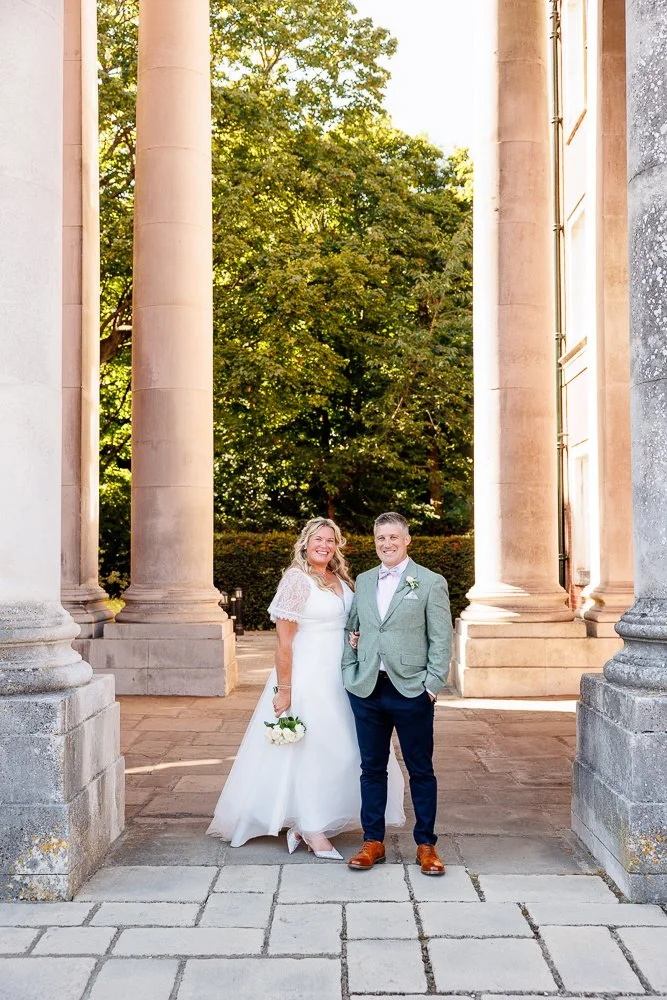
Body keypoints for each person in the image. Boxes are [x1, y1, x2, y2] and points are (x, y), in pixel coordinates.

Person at [207, 517, 404, 858]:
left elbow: (345, 624)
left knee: (348, 750)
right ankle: (311, 828)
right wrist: (285, 690)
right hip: (309, 677)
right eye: (318, 539)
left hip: (344, 676)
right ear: (305, 543)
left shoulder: (339, 578)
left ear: (336, 546)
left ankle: (312, 822)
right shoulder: (296, 580)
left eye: (330, 540)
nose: (324, 545)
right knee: (315, 750)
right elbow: (283, 642)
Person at [342, 512, 452, 875]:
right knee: (371, 769)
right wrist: (350, 671)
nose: (386, 544)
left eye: (393, 537)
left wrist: (431, 686)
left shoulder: (430, 582)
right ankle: (373, 841)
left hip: (411, 690)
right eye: (380, 539)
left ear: (407, 540)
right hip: (368, 688)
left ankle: (427, 845)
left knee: (420, 769)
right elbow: (352, 629)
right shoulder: (363, 579)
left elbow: (441, 638)